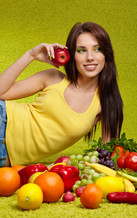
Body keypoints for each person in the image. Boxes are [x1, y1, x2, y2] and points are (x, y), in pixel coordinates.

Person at [0, 22, 123, 167]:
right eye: (81, 50)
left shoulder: (106, 103)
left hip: (6, 157)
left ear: (106, 54)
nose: (90, 57)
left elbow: (106, 157)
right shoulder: (53, 77)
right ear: (71, 55)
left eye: (97, 49)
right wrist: (30, 55)